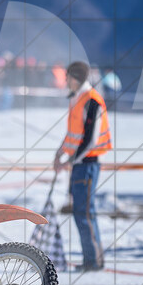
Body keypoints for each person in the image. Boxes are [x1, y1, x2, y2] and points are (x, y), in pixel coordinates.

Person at [53, 61, 113, 272]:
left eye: (68, 77)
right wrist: (60, 152)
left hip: (87, 164)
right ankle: (92, 258)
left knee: (85, 212)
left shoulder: (92, 100)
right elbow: (73, 134)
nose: (65, 81)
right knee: (81, 212)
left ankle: (93, 260)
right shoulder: (77, 98)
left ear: (75, 78)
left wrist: (70, 160)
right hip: (80, 164)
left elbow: (90, 139)